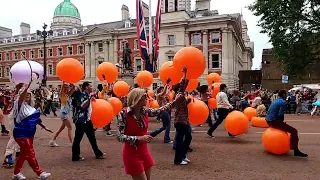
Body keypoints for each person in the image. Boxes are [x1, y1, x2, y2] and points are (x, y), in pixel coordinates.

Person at [116, 87, 177, 180]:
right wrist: (138, 139)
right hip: (131, 154)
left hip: (144, 152)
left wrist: (175, 101)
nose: (148, 98)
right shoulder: (123, 114)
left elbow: (160, 110)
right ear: (138, 98)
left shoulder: (145, 111)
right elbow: (119, 136)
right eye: (145, 96)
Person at [10, 82, 52, 180]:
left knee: (23, 154)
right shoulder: (19, 105)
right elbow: (21, 97)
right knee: (30, 153)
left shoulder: (30, 107)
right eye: (25, 94)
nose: (27, 96)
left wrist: (44, 127)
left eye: (29, 94)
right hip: (21, 133)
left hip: (30, 134)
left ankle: (16, 173)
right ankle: (40, 173)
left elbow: (36, 119)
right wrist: (27, 86)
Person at [266, 90, 308, 157]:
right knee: (294, 131)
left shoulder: (276, 100)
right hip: (273, 121)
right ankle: (295, 150)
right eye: (286, 94)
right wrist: (281, 123)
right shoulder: (283, 102)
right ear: (283, 95)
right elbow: (280, 114)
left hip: (268, 120)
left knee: (286, 128)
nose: (287, 95)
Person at [72, 82, 104, 161]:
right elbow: (82, 106)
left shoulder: (86, 95)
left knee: (91, 137)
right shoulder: (84, 95)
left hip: (86, 120)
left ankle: (97, 153)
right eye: (90, 86)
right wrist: (89, 99)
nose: (91, 87)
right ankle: (75, 156)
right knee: (79, 138)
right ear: (86, 87)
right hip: (82, 120)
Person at [2, 83, 24, 168]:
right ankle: (8, 156)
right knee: (14, 137)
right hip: (14, 118)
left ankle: (18, 154)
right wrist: (18, 90)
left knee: (21, 137)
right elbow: (12, 100)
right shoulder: (18, 95)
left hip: (22, 119)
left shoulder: (28, 95)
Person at [49, 83, 75, 147]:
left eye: (67, 87)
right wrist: (63, 83)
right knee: (70, 128)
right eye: (64, 88)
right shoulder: (62, 95)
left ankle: (52, 140)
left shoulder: (68, 95)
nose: (66, 88)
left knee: (61, 128)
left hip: (66, 113)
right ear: (62, 88)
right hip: (64, 114)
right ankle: (72, 143)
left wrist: (71, 83)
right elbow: (62, 89)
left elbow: (73, 88)